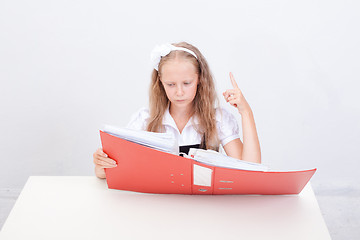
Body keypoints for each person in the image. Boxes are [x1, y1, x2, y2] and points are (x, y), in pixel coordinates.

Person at [93, 42, 261, 179]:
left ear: (200, 79)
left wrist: (246, 112)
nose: (179, 92)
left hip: (204, 208)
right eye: (171, 84)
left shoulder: (218, 119)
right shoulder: (145, 120)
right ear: (160, 82)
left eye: (187, 83)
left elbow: (251, 170)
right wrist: (101, 165)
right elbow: (108, 172)